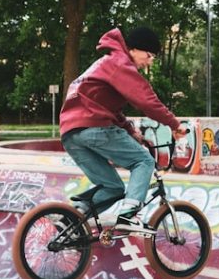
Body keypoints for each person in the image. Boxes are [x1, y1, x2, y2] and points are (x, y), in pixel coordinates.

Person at [60, 26, 187, 228]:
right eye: (149, 54)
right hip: (94, 127)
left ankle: (72, 217)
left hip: (70, 134)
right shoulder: (121, 63)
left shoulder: (108, 64)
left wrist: (130, 131)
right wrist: (174, 123)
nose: (150, 60)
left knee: (113, 187)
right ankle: (129, 215)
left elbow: (106, 107)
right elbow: (147, 101)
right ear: (134, 49)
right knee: (144, 161)